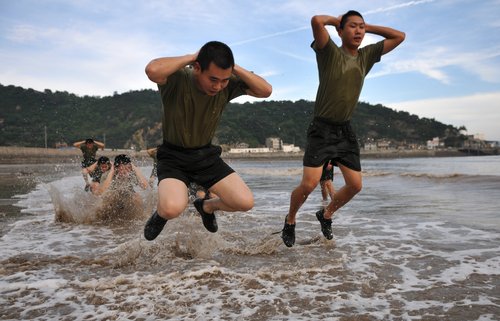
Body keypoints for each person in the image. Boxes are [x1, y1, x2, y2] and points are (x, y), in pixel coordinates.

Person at [281, 11, 405, 247]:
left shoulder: (366, 56)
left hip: (344, 131)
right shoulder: (329, 52)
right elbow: (317, 21)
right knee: (308, 184)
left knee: (356, 185)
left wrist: (367, 26)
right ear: (339, 31)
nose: (358, 31)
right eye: (352, 27)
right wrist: (336, 21)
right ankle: (290, 219)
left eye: (362, 27)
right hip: (321, 128)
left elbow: (399, 36)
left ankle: (326, 215)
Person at [143, 40, 272, 241]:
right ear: (197, 68)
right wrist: (193, 56)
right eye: (213, 79)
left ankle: (206, 206)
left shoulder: (225, 87)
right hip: (173, 157)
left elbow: (265, 90)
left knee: (245, 202)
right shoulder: (179, 79)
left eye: (224, 80)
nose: (218, 86)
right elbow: (152, 70)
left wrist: (233, 68)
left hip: (205, 156)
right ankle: (160, 214)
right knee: (172, 208)